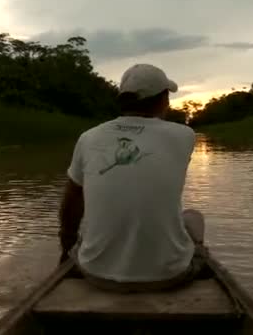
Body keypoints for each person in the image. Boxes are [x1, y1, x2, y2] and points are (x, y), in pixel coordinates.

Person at [57, 63, 207, 292]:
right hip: (169, 276)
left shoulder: (88, 138)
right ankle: (188, 259)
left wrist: (66, 250)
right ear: (163, 100)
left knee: (83, 238)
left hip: (96, 274)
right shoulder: (185, 136)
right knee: (193, 217)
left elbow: (70, 204)